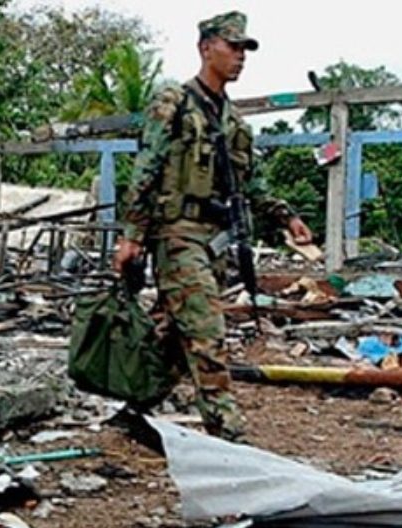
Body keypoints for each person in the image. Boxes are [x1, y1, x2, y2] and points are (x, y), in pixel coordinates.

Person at [112, 11, 313, 439]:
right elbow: (146, 168)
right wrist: (131, 235)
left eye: (245, 49)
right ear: (207, 48)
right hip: (177, 234)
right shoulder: (175, 102)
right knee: (206, 330)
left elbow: (252, 181)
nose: (241, 56)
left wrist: (287, 216)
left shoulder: (233, 120)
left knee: (172, 334)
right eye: (233, 46)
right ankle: (227, 433)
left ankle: (136, 408)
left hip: (215, 239)